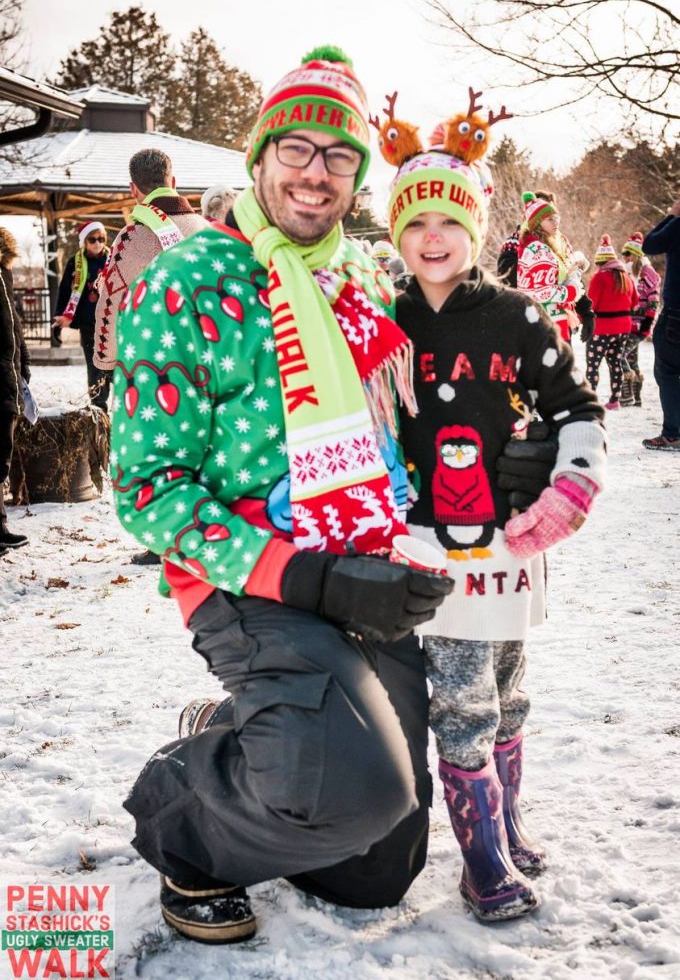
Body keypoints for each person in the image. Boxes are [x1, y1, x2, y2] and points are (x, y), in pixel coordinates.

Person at [109, 47, 557, 945]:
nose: (317, 173)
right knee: (353, 792)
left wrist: (519, 444)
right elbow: (148, 494)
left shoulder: (357, 278)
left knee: (375, 868)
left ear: (357, 174)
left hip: (367, 557)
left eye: (339, 156)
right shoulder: (189, 279)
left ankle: (263, 730)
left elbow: (426, 403)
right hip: (253, 577)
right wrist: (308, 580)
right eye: (297, 149)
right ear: (261, 156)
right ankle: (181, 817)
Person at [377, 104, 606, 921]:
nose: (433, 237)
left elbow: (577, 406)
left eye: (450, 218)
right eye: (416, 221)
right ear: (396, 230)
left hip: (511, 543)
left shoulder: (518, 315)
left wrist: (567, 488)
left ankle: (505, 822)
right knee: (463, 698)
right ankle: (480, 860)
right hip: (429, 544)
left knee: (509, 690)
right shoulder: (383, 322)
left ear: (475, 224)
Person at [94, 148, 207, 566]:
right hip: (208, 363)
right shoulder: (205, 230)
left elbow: (110, 302)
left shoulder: (132, 238)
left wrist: (106, 362)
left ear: (134, 190)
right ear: (172, 182)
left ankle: (166, 539)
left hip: (154, 368)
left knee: (159, 454)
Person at [517, 192, 588, 343]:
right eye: (550, 219)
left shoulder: (539, 246)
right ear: (537, 223)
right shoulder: (539, 249)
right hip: (548, 323)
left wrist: (571, 273)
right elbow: (542, 291)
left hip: (544, 320)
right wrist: (571, 291)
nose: (556, 223)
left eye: (557, 219)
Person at [53, 222, 110, 410]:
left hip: (111, 323)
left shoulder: (113, 259)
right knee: (94, 367)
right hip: (88, 324)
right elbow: (64, 292)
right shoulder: (75, 262)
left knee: (113, 365)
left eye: (101, 239)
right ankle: (99, 407)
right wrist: (59, 318)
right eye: (92, 239)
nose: (97, 243)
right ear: (84, 242)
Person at [0, 227, 30, 551]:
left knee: (2, 455)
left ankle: (1, 524)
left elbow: (13, 323)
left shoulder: (3, 273)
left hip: (8, 374)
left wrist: (24, 363)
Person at [641, 202, 680, 451]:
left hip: (677, 312)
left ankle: (672, 433)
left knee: (666, 371)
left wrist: (671, 216)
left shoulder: (678, 225)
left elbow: (649, 244)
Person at [585, 235, 635, 410]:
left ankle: (590, 399)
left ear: (600, 262)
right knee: (615, 362)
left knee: (593, 364)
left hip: (602, 328)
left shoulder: (600, 278)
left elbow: (591, 303)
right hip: (623, 328)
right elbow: (635, 302)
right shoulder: (626, 277)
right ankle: (615, 400)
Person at [619, 232, 661, 407]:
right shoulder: (627, 273)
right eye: (623, 254)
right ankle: (637, 398)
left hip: (640, 324)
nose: (624, 257)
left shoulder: (648, 273)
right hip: (628, 323)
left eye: (627, 254)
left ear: (635, 254)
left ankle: (627, 394)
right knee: (631, 359)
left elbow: (654, 300)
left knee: (618, 355)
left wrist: (647, 323)